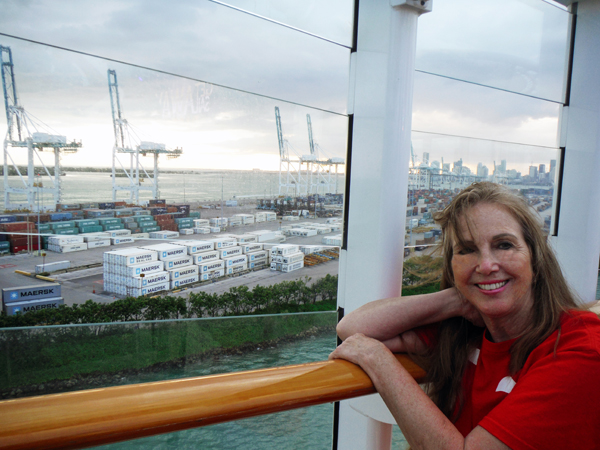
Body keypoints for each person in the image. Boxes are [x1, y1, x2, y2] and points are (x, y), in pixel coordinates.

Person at [329, 182, 600, 449]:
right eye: (467, 250)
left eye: (504, 245)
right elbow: (353, 327)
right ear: (451, 264)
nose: (485, 265)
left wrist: (378, 362)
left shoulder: (580, 349)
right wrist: (457, 298)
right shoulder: (468, 333)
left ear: (535, 258)